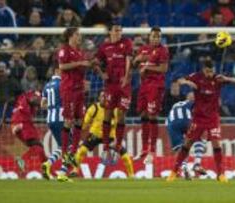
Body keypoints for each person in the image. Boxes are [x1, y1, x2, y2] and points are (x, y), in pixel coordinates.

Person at [167, 59, 235, 182]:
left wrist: (227, 79)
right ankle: (174, 171)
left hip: (213, 118)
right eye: (207, 71)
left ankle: (221, 174)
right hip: (198, 118)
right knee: (187, 144)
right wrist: (188, 83)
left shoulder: (218, 78)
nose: (210, 74)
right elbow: (179, 79)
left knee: (216, 144)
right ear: (203, 70)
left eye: (211, 71)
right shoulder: (196, 77)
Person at [94, 24, 133, 165]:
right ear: (110, 31)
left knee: (121, 115)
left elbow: (129, 60)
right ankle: (105, 147)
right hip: (110, 85)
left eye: (120, 30)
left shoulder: (126, 43)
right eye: (115, 30)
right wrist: (101, 73)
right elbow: (96, 62)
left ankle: (117, 146)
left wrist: (127, 76)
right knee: (108, 113)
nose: (118, 33)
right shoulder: (104, 47)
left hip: (124, 85)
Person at [57, 27, 92, 182]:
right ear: (71, 36)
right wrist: (79, 63)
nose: (80, 37)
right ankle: (65, 153)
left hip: (79, 91)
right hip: (69, 90)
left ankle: (73, 151)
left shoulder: (79, 52)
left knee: (79, 121)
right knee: (68, 121)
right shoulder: (64, 50)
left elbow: (81, 67)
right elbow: (62, 66)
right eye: (78, 34)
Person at [72, 91, 134, 178]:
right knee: (82, 150)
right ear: (98, 98)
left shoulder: (115, 110)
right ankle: (75, 170)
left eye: (106, 96)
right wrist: (77, 123)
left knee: (125, 156)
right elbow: (84, 125)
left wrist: (117, 140)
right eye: (102, 96)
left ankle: (131, 175)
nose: (104, 98)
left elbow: (118, 126)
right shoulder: (93, 108)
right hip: (95, 134)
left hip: (110, 136)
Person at [133, 26, 169, 162]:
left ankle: (152, 151)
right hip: (144, 86)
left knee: (152, 115)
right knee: (143, 115)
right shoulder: (143, 49)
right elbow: (136, 66)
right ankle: (143, 149)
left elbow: (163, 68)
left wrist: (147, 67)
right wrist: (137, 60)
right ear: (149, 37)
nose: (156, 39)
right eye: (154, 36)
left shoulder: (163, 50)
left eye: (158, 36)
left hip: (156, 86)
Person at [166, 92, 207, 179]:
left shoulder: (176, 104)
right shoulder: (192, 103)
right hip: (185, 120)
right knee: (199, 138)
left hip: (170, 124)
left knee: (182, 148)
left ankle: (184, 167)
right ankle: (197, 164)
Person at [11, 90, 46, 170]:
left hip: (19, 122)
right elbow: (32, 100)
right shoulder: (35, 95)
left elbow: (7, 102)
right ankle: (45, 168)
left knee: (37, 147)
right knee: (37, 144)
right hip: (23, 122)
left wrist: (3, 120)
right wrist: (42, 103)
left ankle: (45, 168)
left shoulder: (22, 98)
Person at [40, 67, 64, 180]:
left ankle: (48, 165)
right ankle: (61, 173)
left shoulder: (47, 85)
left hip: (50, 119)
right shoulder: (62, 84)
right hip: (60, 118)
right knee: (67, 146)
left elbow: (42, 105)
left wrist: (52, 106)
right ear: (57, 71)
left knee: (62, 145)